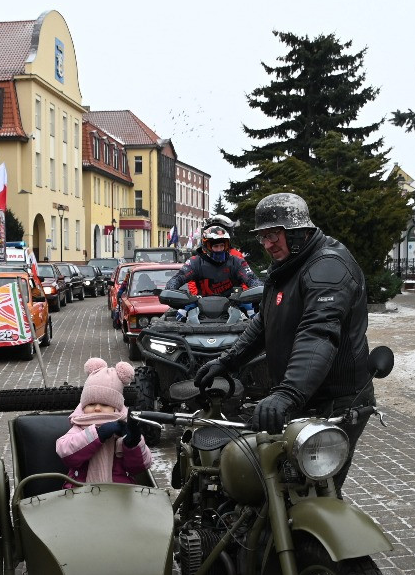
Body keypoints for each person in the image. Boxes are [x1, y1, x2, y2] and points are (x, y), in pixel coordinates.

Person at [193, 192, 374, 491]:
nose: (267, 244)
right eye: (262, 236)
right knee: (281, 483)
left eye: (273, 235)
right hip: (306, 394)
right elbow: (264, 324)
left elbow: (318, 333)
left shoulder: (327, 268)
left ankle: (317, 535)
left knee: (315, 487)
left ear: (298, 232)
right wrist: (227, 361)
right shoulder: (287, 266)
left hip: (337, 400)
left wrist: (286, 394)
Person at [55, 358, 152, 485]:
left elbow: (140, 466)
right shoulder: (80, 426)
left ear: (115, 408)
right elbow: (65, 452)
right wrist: (98, 433)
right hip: (80, 490)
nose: (97, 408)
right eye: (91, 403)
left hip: (118, 491)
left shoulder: (123, 428)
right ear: (83, 406)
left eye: (104, 404)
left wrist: (133, 444)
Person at [166, 223, 261, 297]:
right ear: (206, 247)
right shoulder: (194, 262)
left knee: (254, 316)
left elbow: (251, 279)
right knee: (177, 316)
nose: (219, 249)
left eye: (222, 246)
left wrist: (258, 288)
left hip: (235, 305)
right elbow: (178, 278)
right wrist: (171, 290)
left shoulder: (237, 262)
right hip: (199, 307)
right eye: (215, 246)